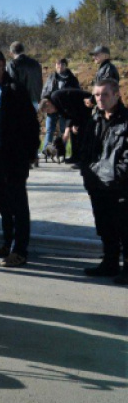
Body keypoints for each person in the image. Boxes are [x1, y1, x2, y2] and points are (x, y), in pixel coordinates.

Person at [0, 49, 40, 267]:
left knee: (17, 205)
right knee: (2, 202)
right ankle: (7, 243)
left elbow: (32, 126)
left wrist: (30, 154)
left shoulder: (15, 90)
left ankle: (19, 251)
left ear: (1, 65)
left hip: (13, 158)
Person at [79, 78, 128, 283]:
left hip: (120, 186)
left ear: (117, 95)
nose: (100, 98)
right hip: (97, 184)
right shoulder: (95, 119)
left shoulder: (125, 121)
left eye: (105, 94)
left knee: (124, 229)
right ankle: (109, 264)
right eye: (97, 94)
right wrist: (88, 172)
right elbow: (85, 150)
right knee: (105, 227)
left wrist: (116, 174)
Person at [39, 58, 79, 157]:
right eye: (57, 64)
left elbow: (76, 93)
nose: (59, 66)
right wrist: (47, 101)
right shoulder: (51, 77)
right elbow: (45, 91)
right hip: (51, 108)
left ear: (66, 65)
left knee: (62, 130)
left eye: (62, 64)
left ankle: (60, 152)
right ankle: (46, 152)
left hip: (64, 110)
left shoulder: (72, 78)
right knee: (49, 129)